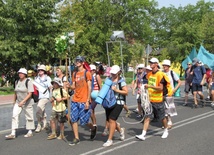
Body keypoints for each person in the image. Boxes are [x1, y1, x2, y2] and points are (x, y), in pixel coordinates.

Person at [135, 57, 170, 141]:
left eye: (152, 63)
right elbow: (144, 81)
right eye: (150, 62)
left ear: (156, 64)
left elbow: (160, 88)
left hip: (158, 100)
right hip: (150, 100)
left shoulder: (160, 74)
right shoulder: (149, 74)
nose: (151, 64)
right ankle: (143, 134)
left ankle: (166, 130)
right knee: (147, 117)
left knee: (162, 117)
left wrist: (149, 86)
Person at [68, 56, 97, 146]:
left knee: (84, 121)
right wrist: (68, 86)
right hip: (75, 99)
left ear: (82, 62)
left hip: (84, 100)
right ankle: (76, 138)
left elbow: (89, 87)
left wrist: (88, 101)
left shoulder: (87, 73)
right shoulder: (74, 73)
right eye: (76, 61)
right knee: (73, 119)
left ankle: (93, 128)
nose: (77, 62)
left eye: (78, 61)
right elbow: (73, 86)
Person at [5, 68, 35, 139]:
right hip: (18, 102)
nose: (20, 74)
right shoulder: (17, 81)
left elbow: (30, 93)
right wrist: (14, 100)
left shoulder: (28, 81)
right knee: (14, 116)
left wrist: (23, 101)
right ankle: (13, 133)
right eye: (19, 73)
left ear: (25, 74)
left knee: (29, 116)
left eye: (22, 73)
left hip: (27, 102)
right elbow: (16, 92)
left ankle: (30, 131)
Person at [103, 65, 128, 147]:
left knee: (112, 119)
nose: (113, 75)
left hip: (118, 102)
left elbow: (126, 92)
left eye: (114, 73)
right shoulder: (108, 80)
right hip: (109, 102)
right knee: (110, 121)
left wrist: (116, 90)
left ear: (118, 72)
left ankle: (110, 140)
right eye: (112, 73)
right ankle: (121, 130)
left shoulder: (121, 81)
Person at [162, 59, 181, 129]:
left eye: (165, 65)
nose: (164, 66)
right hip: (162, 93)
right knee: (163, 108)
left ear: (168, 66)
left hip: (169, 93)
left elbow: (179, 82)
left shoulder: (172, 73)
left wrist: (174, 90)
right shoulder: (161, 73)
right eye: (163, 65)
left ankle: (169, 121)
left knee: (169, 107)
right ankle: (166, 121)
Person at [34, 64, 52, 132]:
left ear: (44, 71)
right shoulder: (36, 78)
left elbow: (50, 87)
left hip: (45, 96)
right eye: (39, 70)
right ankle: (45, 123)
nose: (40, 71)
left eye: (42, 70)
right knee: (42, 110)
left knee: (38, 110)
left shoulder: (47, 78)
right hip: (38, 96)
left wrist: (51, 96)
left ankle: (39, 124)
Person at [89, 64, 102, 132]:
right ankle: (94, 124)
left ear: (94, 70)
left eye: (91, 70)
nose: (90, 71)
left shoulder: (97, 76)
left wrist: (101, 96)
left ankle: (94, 124)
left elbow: (101, 86)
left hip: (96, 95)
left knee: (90, 109)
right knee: (92, 110)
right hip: (90, 95)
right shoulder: (89, 77)